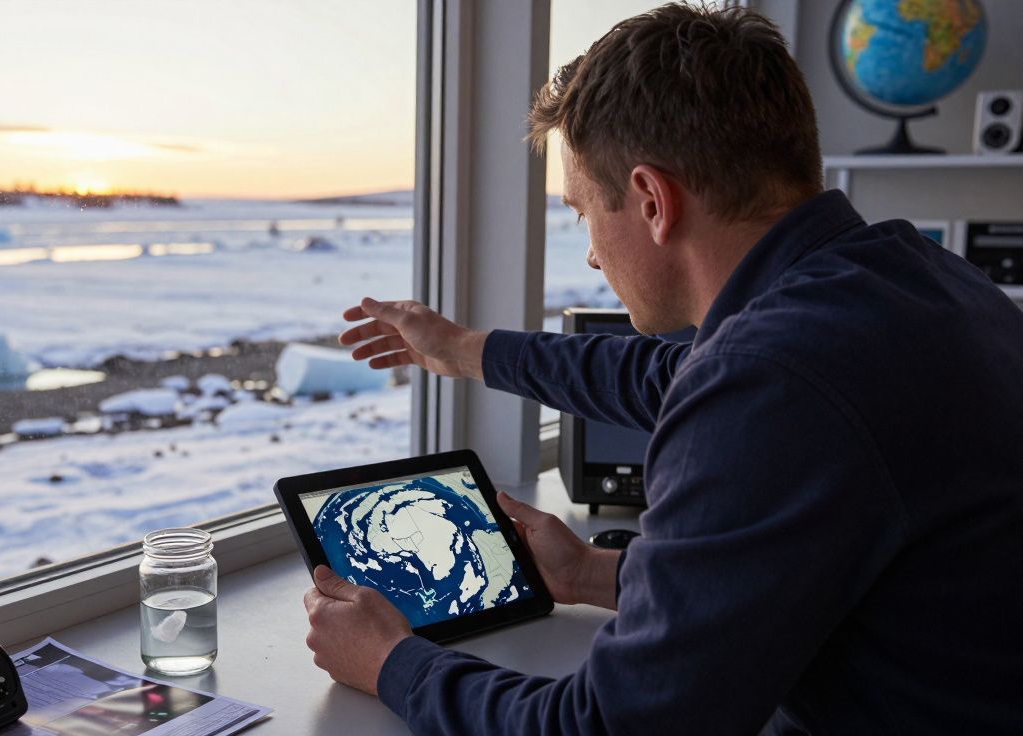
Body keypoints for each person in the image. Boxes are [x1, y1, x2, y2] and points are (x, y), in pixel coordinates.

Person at [300, 4, 1023, 735]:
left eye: (583, 212)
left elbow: (610, 727)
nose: (590, 252)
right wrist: (586, 570)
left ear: (651, 200)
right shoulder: (913, 280)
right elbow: (663, 377)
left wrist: (394, 661)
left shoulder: (777, 380)